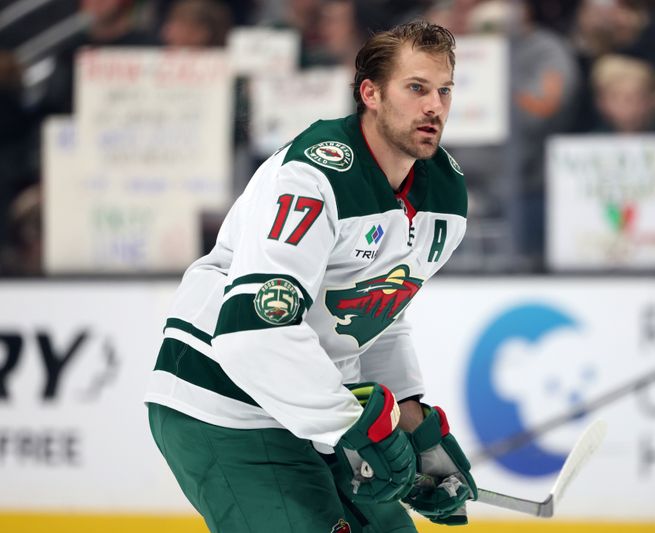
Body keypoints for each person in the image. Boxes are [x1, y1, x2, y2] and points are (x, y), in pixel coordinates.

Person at [144, 21, 476, 533]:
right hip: (225, 404)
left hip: (315, 410)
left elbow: (377, 318)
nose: (434, 106)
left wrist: (414, 426)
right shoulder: (312, 176)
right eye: (416, 88)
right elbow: (252, 335)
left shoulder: (444, 198)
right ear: (370, 93)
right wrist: (355, 426)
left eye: (444, 91)